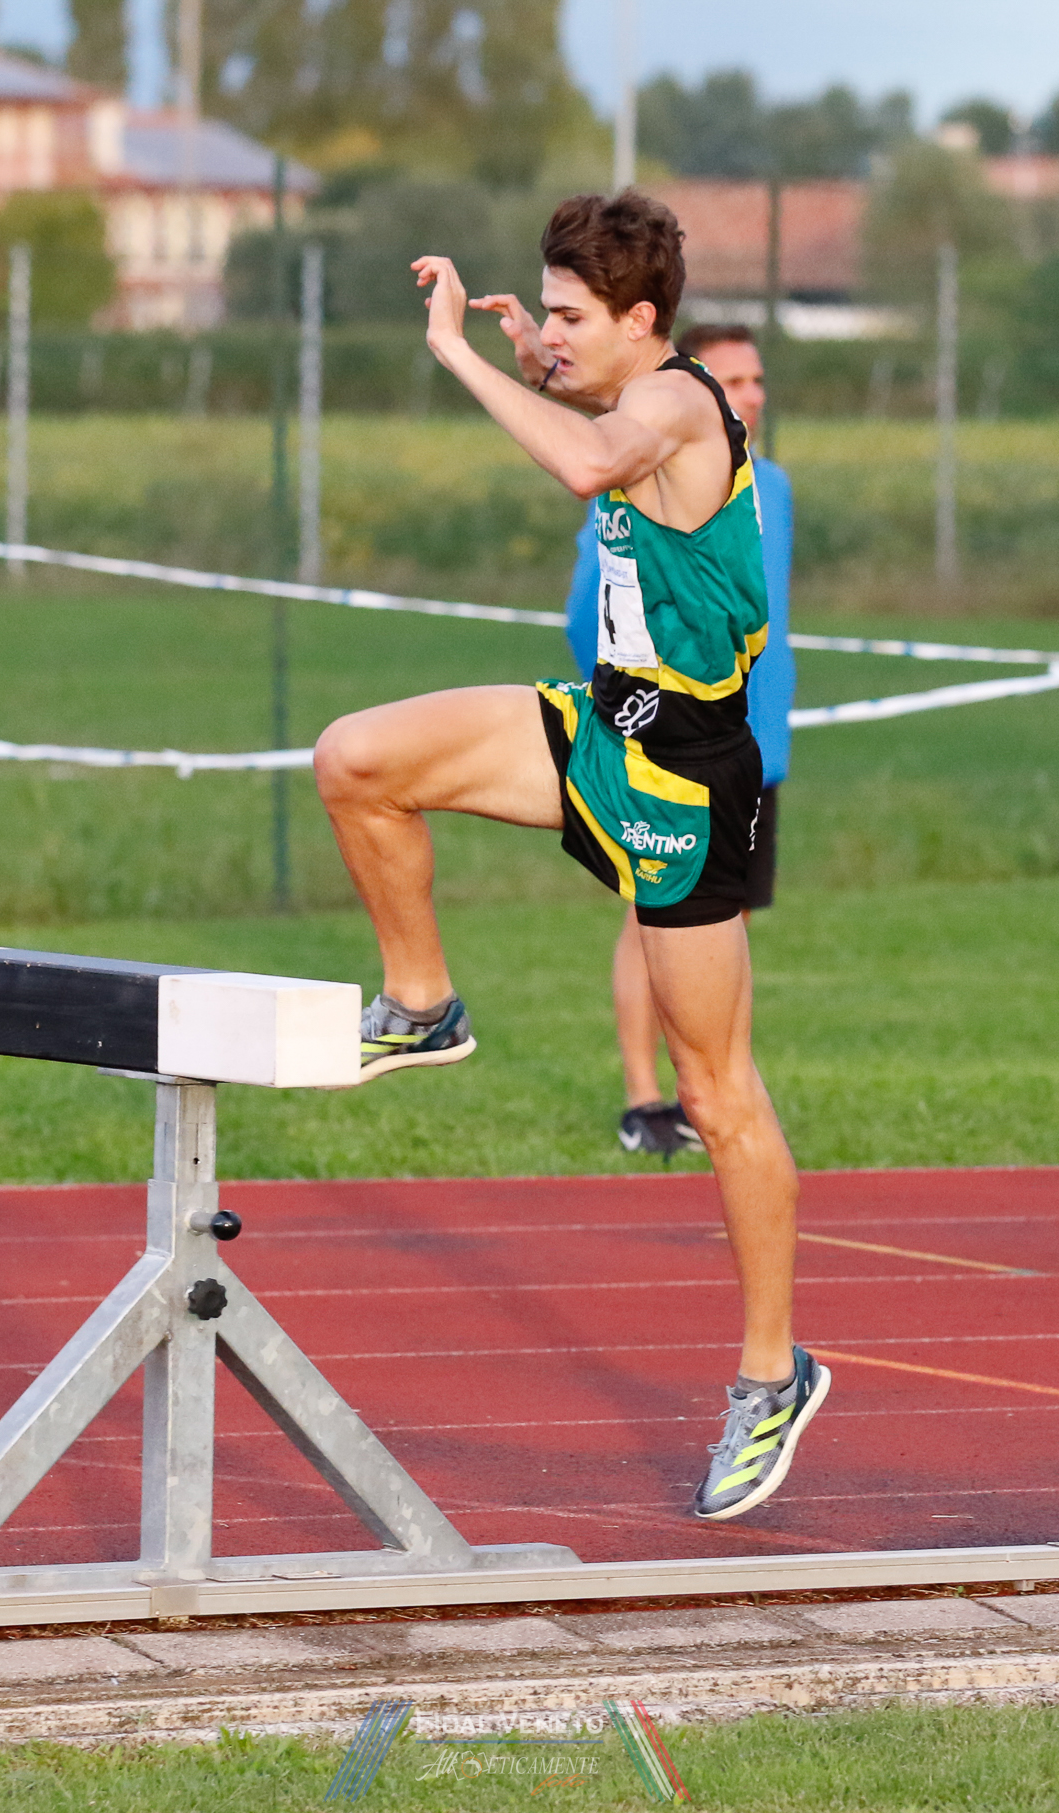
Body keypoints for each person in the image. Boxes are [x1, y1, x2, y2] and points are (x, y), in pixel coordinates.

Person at [312, 191, 830, 1523]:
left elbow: (593, 462)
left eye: (568, 315)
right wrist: (531, 354)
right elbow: (587, 418)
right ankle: (422, 1000)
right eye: (544, 310)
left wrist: (455, 353)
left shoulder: (680, 405)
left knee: (715, 1092)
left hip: (689, 783)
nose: (548, 332)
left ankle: (771, 1374)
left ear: (642, 320)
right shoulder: (624, 389)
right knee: (356, 760)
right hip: (600, 729)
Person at [564, 324, 792, 1159]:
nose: (750, 394)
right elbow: (589, 613)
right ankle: (645, 1100)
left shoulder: (770, 484)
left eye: (757, 378)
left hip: (753, 744)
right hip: (666, 744)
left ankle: (714, 1095)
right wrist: (637, 713)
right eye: (732, 379)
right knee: (649, 918)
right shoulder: (640, 482)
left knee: (722, 924)